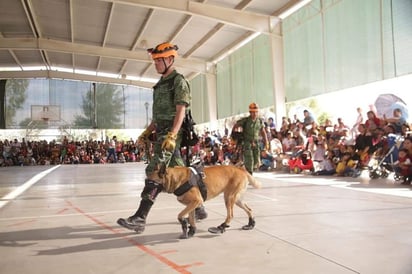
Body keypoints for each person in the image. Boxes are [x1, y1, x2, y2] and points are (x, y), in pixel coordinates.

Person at [117, 42, 207, 234]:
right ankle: (198, 207)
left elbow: (181, 111)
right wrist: (146, 132)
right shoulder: (160, 85)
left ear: (170, 59)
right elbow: (157, 117)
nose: (156, 64)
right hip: (161, 133)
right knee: (180, 173)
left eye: (159, 60)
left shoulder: (178, 81)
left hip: (172, 133)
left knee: (155, 172)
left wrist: (173, 135)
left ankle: (140, 218)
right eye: (155, 60)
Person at [232, 103, 269, 174]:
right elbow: (236, 125)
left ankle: (246, 169)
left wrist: (266, 141)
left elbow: (263, 132)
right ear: (250, 112)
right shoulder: (245, 120)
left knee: (256, 160)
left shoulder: (260, 121)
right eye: (253, 112)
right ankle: (249, 174)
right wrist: (234, 135)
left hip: (256, 142)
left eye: (256, 112)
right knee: (249, 159)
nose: (254, 114)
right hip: (247, 142)